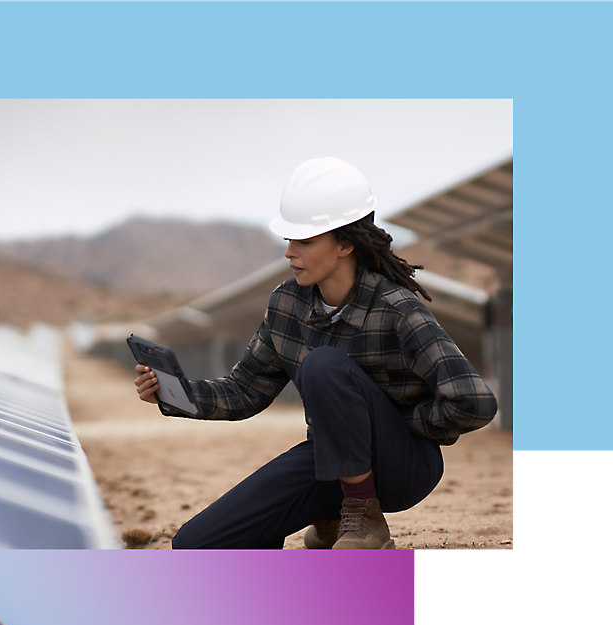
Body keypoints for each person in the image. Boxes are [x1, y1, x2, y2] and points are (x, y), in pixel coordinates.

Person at [133, 157, 498, 549]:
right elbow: (245, 390)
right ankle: (329, 516)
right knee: (199, 543)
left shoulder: (396, 308)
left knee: (322, 365)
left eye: (304, 241)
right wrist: (178, 393)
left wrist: (393, 427)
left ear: (345, 243)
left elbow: (473, 402)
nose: (290, 252)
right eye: (289, 239)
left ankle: (361, 519)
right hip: (330, 462)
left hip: (403, 468)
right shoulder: (287, 304)